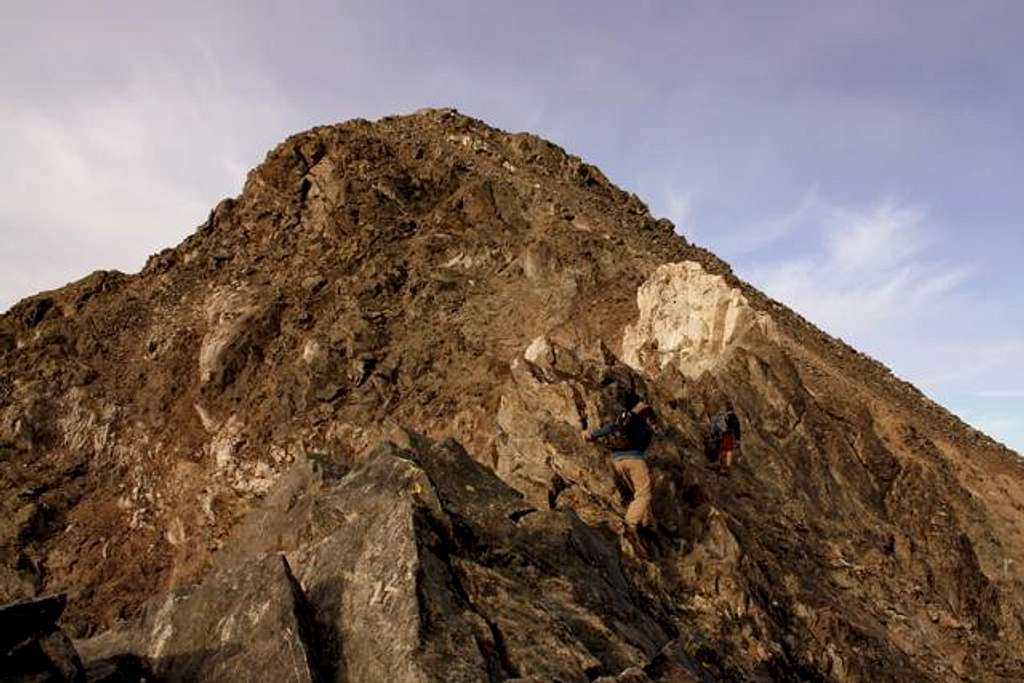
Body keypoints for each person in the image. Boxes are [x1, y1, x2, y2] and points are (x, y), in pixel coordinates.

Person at [582, 391, 657, 554]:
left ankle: (645, 523)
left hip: (616, 459)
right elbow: (645, 442)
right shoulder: (643, 421)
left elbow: (610, 428)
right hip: (634, 459)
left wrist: (591, 435)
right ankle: (631, 524)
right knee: (643, 494)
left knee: (633, 493)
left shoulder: (623, 417)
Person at [710, 400, 741, 476]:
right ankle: (726, 467)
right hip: (729, 435)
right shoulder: (733, 417)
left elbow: (716, 425)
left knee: (722, 450)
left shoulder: (723, 416)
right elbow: (737, 429)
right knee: (728, 451)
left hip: (721, 434)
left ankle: (720, 465)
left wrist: (714, 434)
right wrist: (738, 440)